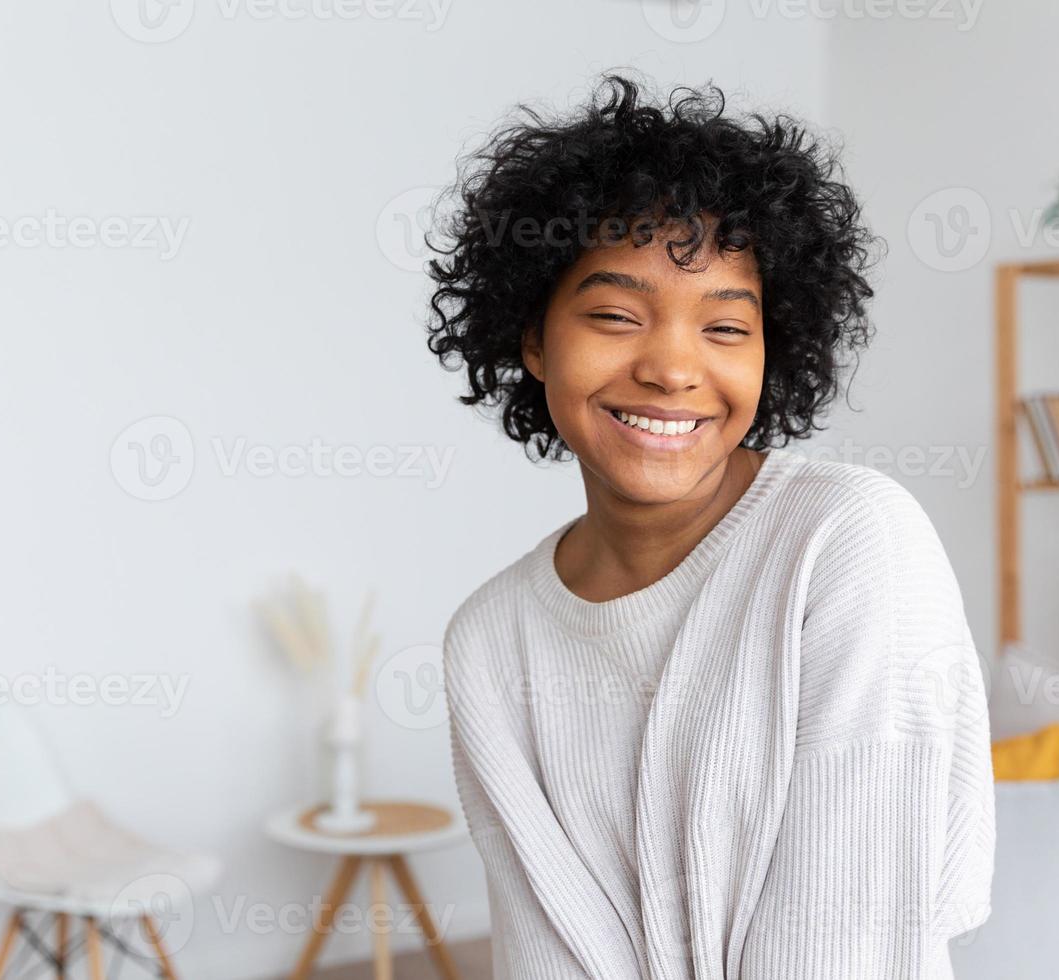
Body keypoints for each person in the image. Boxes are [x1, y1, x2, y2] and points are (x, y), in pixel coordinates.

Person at [424, 73, 995, 979]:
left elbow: (852, 933)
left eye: (726, 329)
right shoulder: (491, 639)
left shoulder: (847, 543)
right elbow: (545, 954)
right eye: (616, 316)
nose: (673, 368)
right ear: (533, 337)